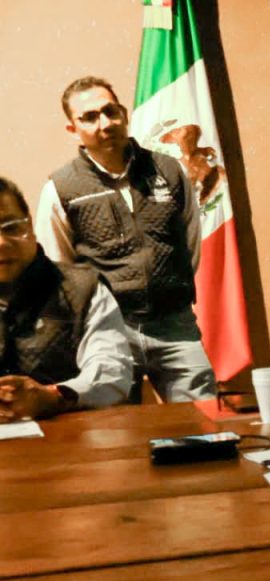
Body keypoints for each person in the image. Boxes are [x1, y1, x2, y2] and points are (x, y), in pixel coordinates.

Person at [35, 76, 216, 403]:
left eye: (110, 111)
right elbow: (59, 268)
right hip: (109, 331)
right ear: (73, 130)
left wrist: (167, 288)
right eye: (89, 117)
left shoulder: (168, 170)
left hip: (175, 325)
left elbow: (190, 241)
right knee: (114, 425)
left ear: (124, 114)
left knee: (202, 418)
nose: (104, 124)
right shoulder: (60, 188)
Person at [0, 176, 131, 422]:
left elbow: (112, 373)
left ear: (30, 226)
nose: (2, 243)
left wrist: (52, 396)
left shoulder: (83, 288)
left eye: (11, 228)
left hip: (69, 434)